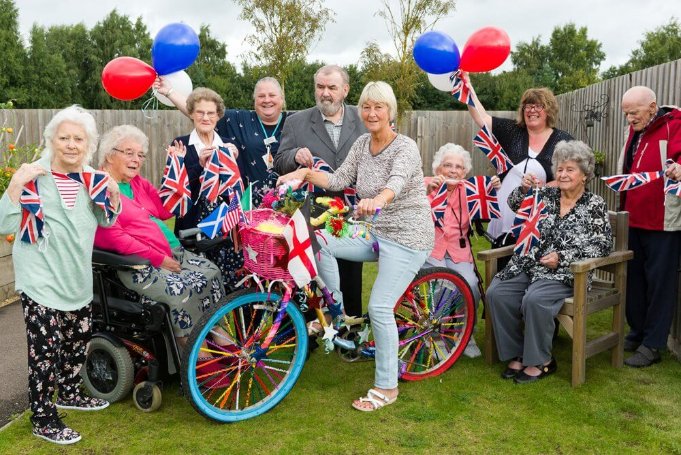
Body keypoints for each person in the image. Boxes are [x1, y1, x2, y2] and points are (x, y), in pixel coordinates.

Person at [278, 81, 434, 411]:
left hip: (407, 237)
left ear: (391, 112)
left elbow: (396, 183)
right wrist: (304, 173)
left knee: (379, 307)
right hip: (374, 230)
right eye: (366, 106)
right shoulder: (363, 144)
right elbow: (337, 180)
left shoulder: (404, 147)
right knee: (318, 239)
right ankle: (338, 316)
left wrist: (377, 200)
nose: (372, 113)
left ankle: (387, 387)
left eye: (379, 107)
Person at [0, 106, 121, 445]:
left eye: (78, 139)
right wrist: (13, 185)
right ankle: (42, 417)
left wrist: (112, 194)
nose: (71, 144)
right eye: (64, 137)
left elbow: (107, 219)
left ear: (89, 144)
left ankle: (69, 393)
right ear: (51, 140)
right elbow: (5, 224)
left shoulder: (92, 181)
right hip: (39, 278)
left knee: (76, 343)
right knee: (44, 351)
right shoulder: (34, 178)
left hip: (75, 277)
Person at [486, 140, 612, 384]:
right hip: (530, 264)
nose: (563, 174)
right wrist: (523, 190)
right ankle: (518, 353)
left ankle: (542, 360)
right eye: (560, 169)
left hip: (566, 272)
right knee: (496, 293)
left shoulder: (594, 204)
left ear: (585, 174)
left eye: (570, 170)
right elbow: (514, 205)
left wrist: (562, 257)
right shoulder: (545, 194)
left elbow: (602, 245)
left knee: (534, 299)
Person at [94, 125, 224, 346]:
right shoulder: (100, 188)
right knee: (182, 289)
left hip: (172, 251)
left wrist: (177, 169)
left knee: (211, 272)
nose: (137, 159)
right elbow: (114, 238)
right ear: (109, 154)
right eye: (129, 153)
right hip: (139, 264)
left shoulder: (136, 183)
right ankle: (195, 353)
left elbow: (165, 210)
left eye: (141, 155)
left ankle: (219, 333)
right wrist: (159, 258)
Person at [274, 64, 367, 318]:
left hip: (352, 210)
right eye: (320, 87)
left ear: (345, 90)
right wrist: (294, 156)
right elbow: (279, 161)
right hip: (313, 212)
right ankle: (316, 329)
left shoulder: (364, 120)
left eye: (332, 87)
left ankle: (352, 326)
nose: (325, 93)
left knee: (351, 270)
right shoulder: (296, 122)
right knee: (314, 273)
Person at [466, 80, 573, 262]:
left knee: (527, 268)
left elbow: (570, 176)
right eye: (527, 106)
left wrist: (544, 186)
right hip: (503, 214)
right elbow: (481, 116)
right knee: (499, 268)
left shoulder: (562, 140)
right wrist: (467, 86)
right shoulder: (513, 131)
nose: (531, 110)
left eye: (538, 106)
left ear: (548, 110)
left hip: (535, 219)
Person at [617, 86, 681, 367]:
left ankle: (653, 344)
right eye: (626, 114)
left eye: (634, 112)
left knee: (660, 283)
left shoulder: (675, 124)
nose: (629, 118)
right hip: (633, 216)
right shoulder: (636, 129)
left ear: (652, 107)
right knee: (634, 278)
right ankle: (638, 330)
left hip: (662, 221)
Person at [155, 76, 287, 207]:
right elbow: (201, 110)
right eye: (261, 96)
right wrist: (169, 92)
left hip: (288, 202)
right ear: (254, 100)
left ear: (281, 98)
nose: (267, 100)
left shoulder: (295, 122)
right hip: (251, 207)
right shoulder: (239, 120)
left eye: (272, 95)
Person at [424, 143, 500, 358]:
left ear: (465, 172)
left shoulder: (470, 190)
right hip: (432, 249)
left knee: (471, 286)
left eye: (459, 167)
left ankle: (464, 333)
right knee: (439, 285)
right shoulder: (425, 185)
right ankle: (435, 335)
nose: (453, 170)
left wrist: (492, 188)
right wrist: (426, 191)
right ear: (438, 168)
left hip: (459, 250)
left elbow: (487, 210)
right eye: (448, 165)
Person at [165, 88, 243, 290]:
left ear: (218, 116)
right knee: (198, 284)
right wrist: (200, 164)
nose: (205, 117)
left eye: (210, 113)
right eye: (200, 112)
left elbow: (235, 189)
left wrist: (231, 161)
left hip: (222, 225)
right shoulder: (180, 144)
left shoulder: (229, 145)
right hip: (192, 226)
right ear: (191, 113)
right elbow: (178, 190)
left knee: (228, 282)